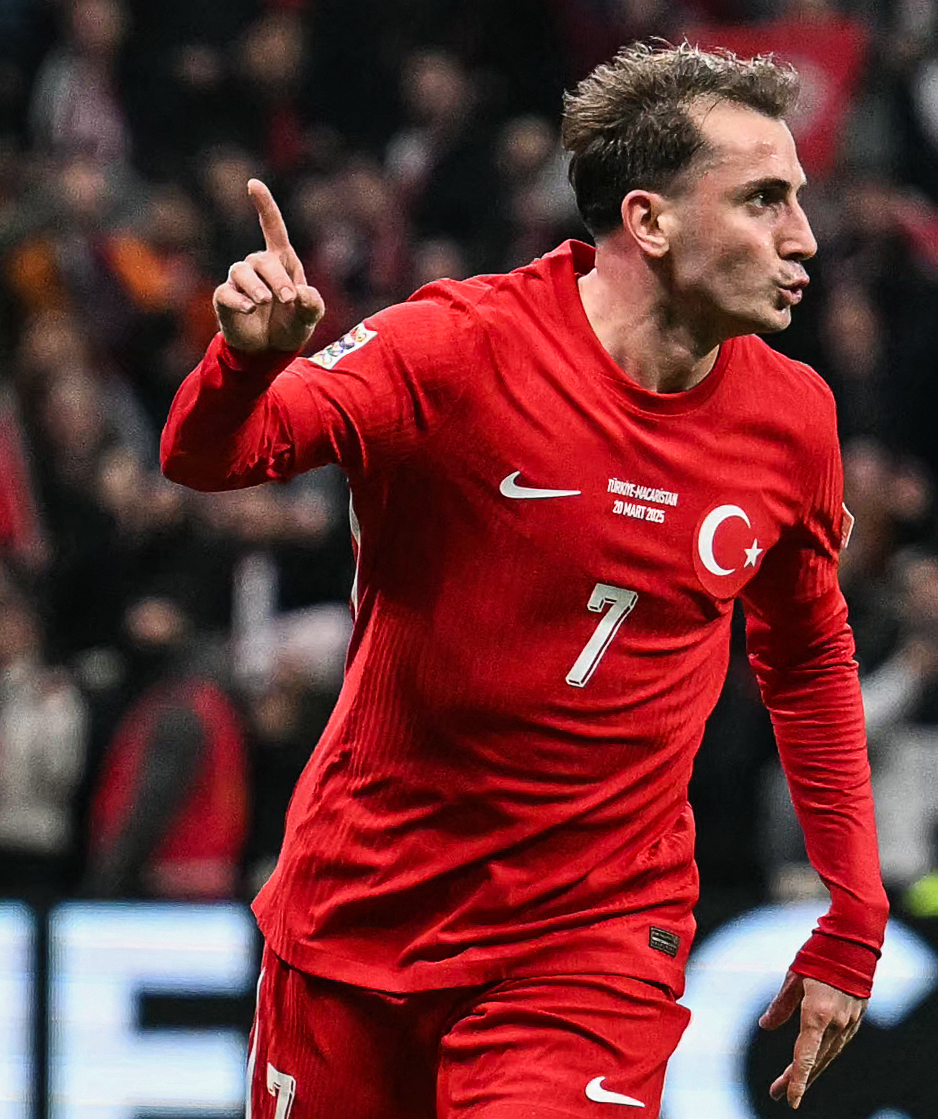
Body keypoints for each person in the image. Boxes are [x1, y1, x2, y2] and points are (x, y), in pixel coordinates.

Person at [160, 43, 887, 1118]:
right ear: (648, 221)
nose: (803, 239)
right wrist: (245, 360)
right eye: (764, 200)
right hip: (364, 911)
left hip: (589, 944)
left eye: (798, 201)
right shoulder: (457, 349)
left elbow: (808, 652)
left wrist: (854, 914)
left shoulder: (793, 423)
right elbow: (211, 456)